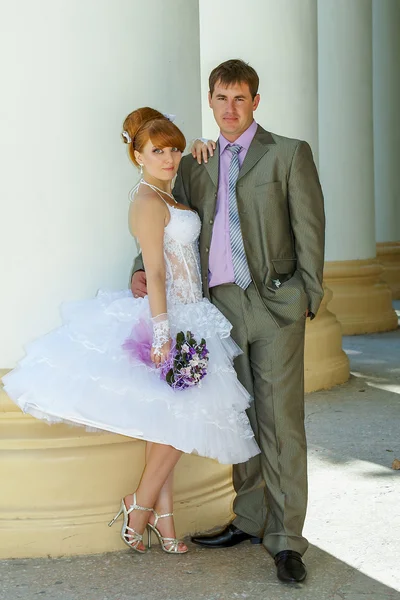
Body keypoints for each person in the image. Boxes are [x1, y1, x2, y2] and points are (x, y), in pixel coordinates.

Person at [2, 107, 260, 556]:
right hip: (170, 317)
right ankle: (139, 504)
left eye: (174, 149)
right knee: (179, 419)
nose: (169, 157)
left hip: (193, 314)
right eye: (157, 150)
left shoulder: (170, 196)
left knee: (168, 420)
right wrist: (162, 332)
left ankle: (162, 515)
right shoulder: (145, 200)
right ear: (137, 155)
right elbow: (155, 273)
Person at [131, 60, 325, 582]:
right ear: (211, 100)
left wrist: (310, 292)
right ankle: (250, 516)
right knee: (239, 415)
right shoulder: (198, 162)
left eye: (240, 98)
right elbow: (171, 219)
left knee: (280, 420)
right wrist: (139, 271)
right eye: (221, 98)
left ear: (255, 101)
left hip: (275, 304)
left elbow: (309, 224)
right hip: (219, 308)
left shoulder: (287, 153)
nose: (230, 108)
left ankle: (286, 538)